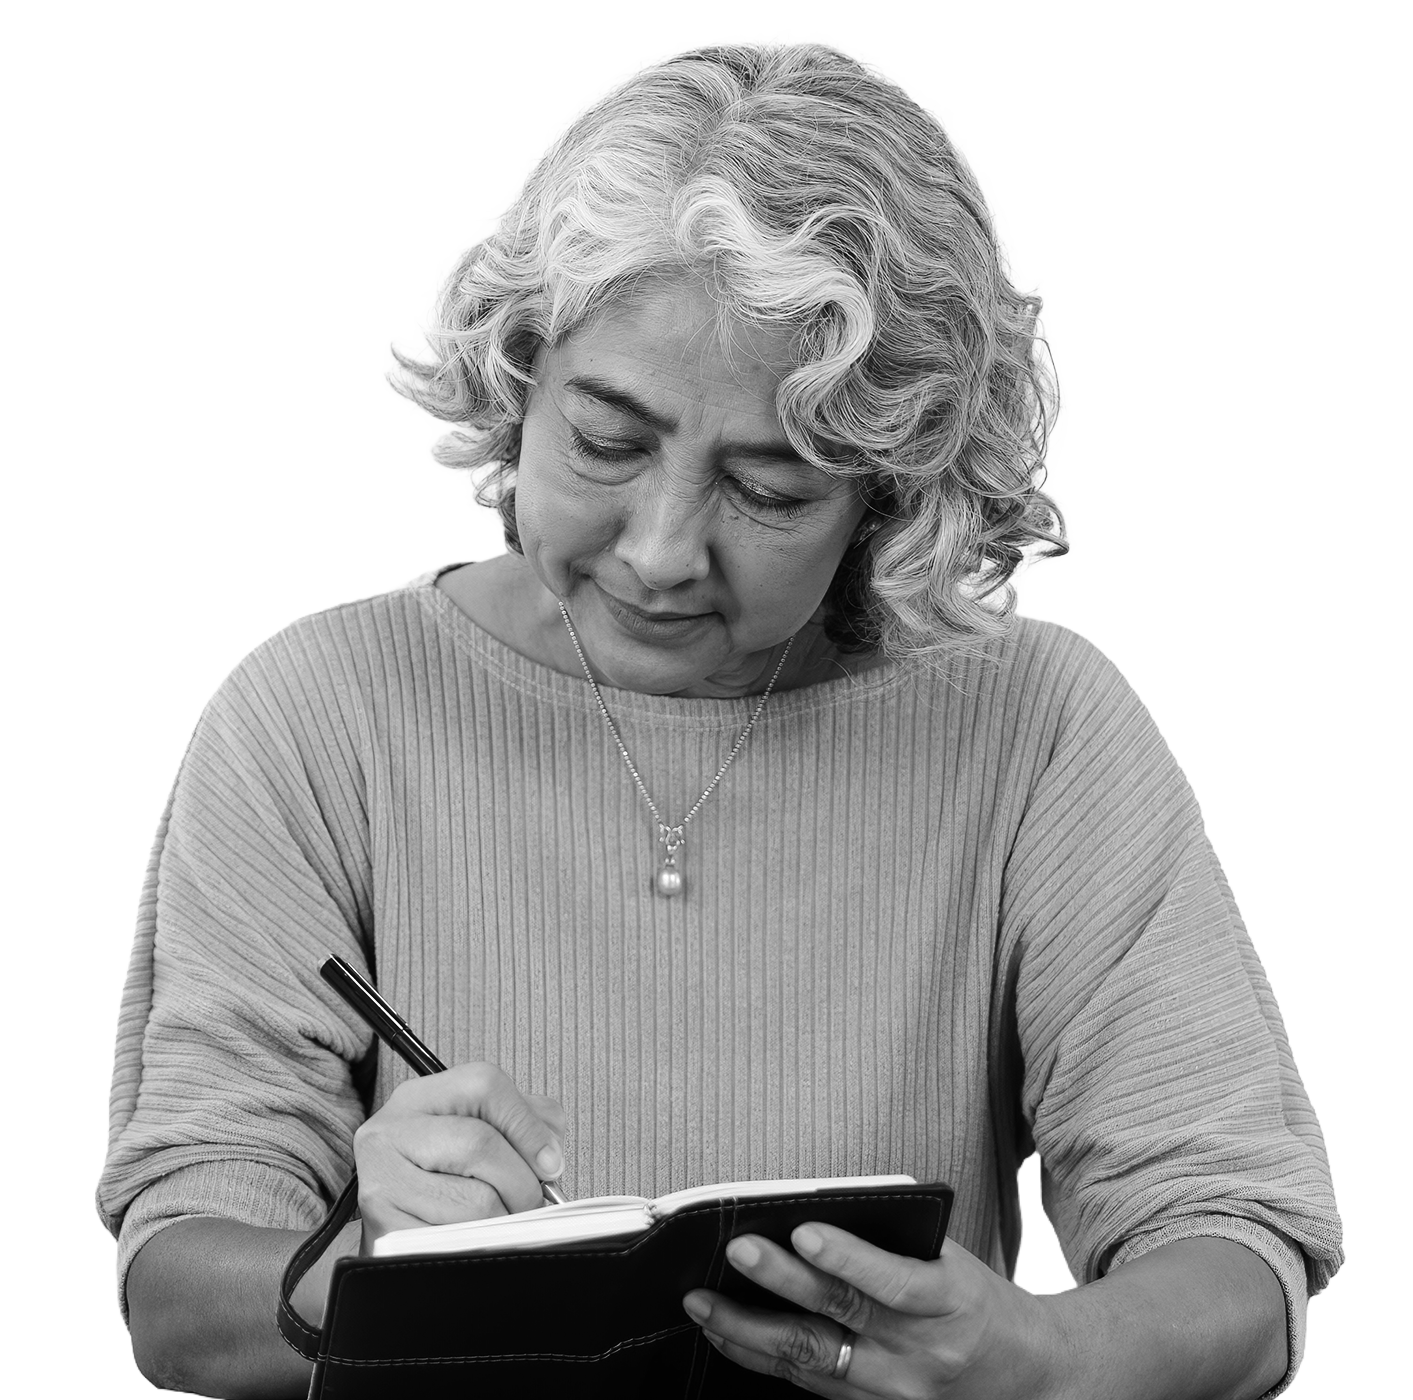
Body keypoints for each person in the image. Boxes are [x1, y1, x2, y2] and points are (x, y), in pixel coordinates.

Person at [98, 38, 1342, 1400]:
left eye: (769, 491)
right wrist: (360, 1266)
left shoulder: (1036, 732)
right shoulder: (316, 720)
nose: (660, 552)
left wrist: (1038, 1360)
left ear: (890, 495)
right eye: (607, 442)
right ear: (519, 374)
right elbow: (174, 1303)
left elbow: (1239, 1267)